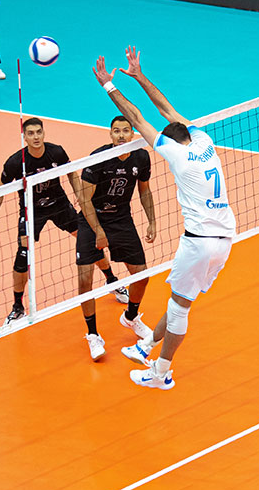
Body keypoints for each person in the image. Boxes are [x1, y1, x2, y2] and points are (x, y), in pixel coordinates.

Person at [96, 47, 236, 391]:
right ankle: (145, 346)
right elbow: (167, 109)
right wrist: (140, 75)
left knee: (179, 309)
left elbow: (137, 117)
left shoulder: (177, 155)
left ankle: (160, 373)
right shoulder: (203, 141)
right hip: (225, 239)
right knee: (180, 300)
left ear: (170, 142)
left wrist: (109, 85)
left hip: (199, 242)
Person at [0, 117, 100, 329]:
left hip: (59, 205)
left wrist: (81, 197)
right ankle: (17, 306)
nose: (36, 137)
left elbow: (72, 174)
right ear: (24, 137)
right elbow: (1, 188)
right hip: (31, 210)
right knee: (23, 254)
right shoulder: (15, 162)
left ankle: (112, 279)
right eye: (30, 134)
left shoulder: (56, 152)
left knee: (87, 238)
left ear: (44, 133)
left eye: (39, 132)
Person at [76, 115, 158, 360]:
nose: (121, 135)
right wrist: (98, 231)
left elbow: (145, 190)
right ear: (110, 134)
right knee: (84, 279)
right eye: (116, 131)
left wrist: (152, 221)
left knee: (141, 275)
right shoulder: (98, 159)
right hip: (92, 219)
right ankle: (93, 334)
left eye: (125, 131)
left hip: (121, 219)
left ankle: (130, 317)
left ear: (132, 134)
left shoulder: (141, 157)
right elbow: (84, 200)